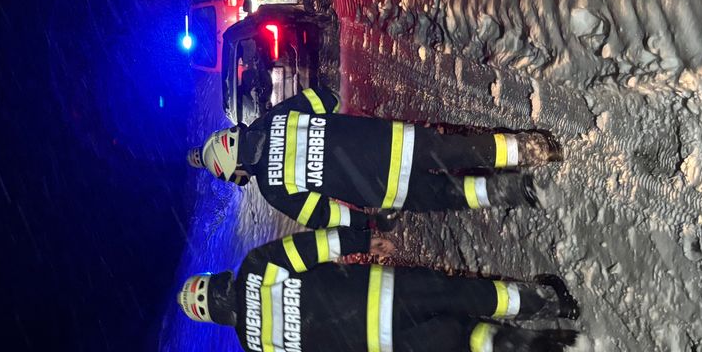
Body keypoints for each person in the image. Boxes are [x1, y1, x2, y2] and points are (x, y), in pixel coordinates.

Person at [178, 226, 583, 352]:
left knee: (461, 341)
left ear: (217, 317)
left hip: (383, 342)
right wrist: (362, 242)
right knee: (458, 296)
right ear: (218, 282)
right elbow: (314, 247)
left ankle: (540, 349)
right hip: (384, 292)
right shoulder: (253, 267)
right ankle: (546, 303)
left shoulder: (255, 349)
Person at [186, 86, 561, 228]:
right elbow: (326, 98)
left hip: (384, 190)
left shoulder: (271, 188)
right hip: (391, 141)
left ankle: (512, 191)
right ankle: (529, 148)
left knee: (452, 195)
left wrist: (366, 223)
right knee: (457, 149)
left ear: (234, 166)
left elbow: (323, 215)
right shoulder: (274, 119)